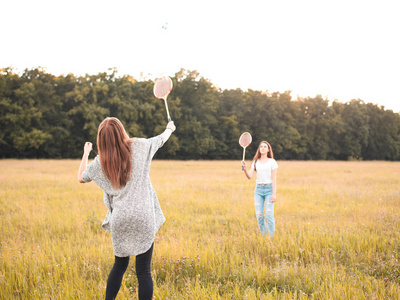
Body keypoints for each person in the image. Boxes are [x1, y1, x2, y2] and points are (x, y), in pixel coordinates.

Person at [77, 117, 176, 300]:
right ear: (121, 131)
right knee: (144, 271)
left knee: (119, 266)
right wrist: (170, 128)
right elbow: (161, 138)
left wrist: (85, 153)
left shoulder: (100, 162)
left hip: (120, 219)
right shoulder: (140, 146)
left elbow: (81, 177)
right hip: (144, 215)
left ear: (101, 139)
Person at [241, 141, 278, 238]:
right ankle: (264, 237)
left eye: (265, 146)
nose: (262, 148)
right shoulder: (255, 162)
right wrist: (245, 168)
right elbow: (249, 176)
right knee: (259, 215)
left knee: (269, 215)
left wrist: (274, 193)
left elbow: (274, 178)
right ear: (259, 149)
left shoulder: (272, 162)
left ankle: (272, 238)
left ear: (268, 149)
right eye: (261, 146)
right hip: (258, 190)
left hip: (269, 189)